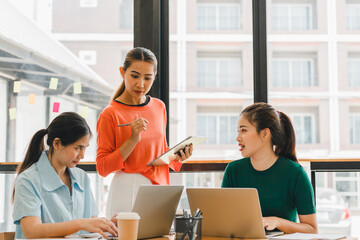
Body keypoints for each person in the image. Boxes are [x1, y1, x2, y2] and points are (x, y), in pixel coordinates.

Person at [96, 47, 193, 218]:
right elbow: (103, 168)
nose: (141, 84)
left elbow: (159, 150)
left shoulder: (159, 106)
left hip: (160, 189)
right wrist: (133, 139)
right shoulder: (110, 114)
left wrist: (177, 157)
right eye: (134, 76)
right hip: (128, 190)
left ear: (154, 77)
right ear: (122, 72)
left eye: (148, 78)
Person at [12, 112, 118, 239]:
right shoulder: (27, 180)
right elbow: (32, 231)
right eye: (78, 148)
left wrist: (108, 225)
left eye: (85, 148)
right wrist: (80, 223)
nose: (82, 156)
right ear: (57, 144)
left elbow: (91, 225)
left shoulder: (81, 177)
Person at [221, 102, 318, 234]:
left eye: (244, 130)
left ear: (265, 134)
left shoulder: (295, 173)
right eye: (238, 131)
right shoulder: (233, 170)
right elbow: (224, 221)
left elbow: (312, 230)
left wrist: (277, 222)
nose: (238, 138)